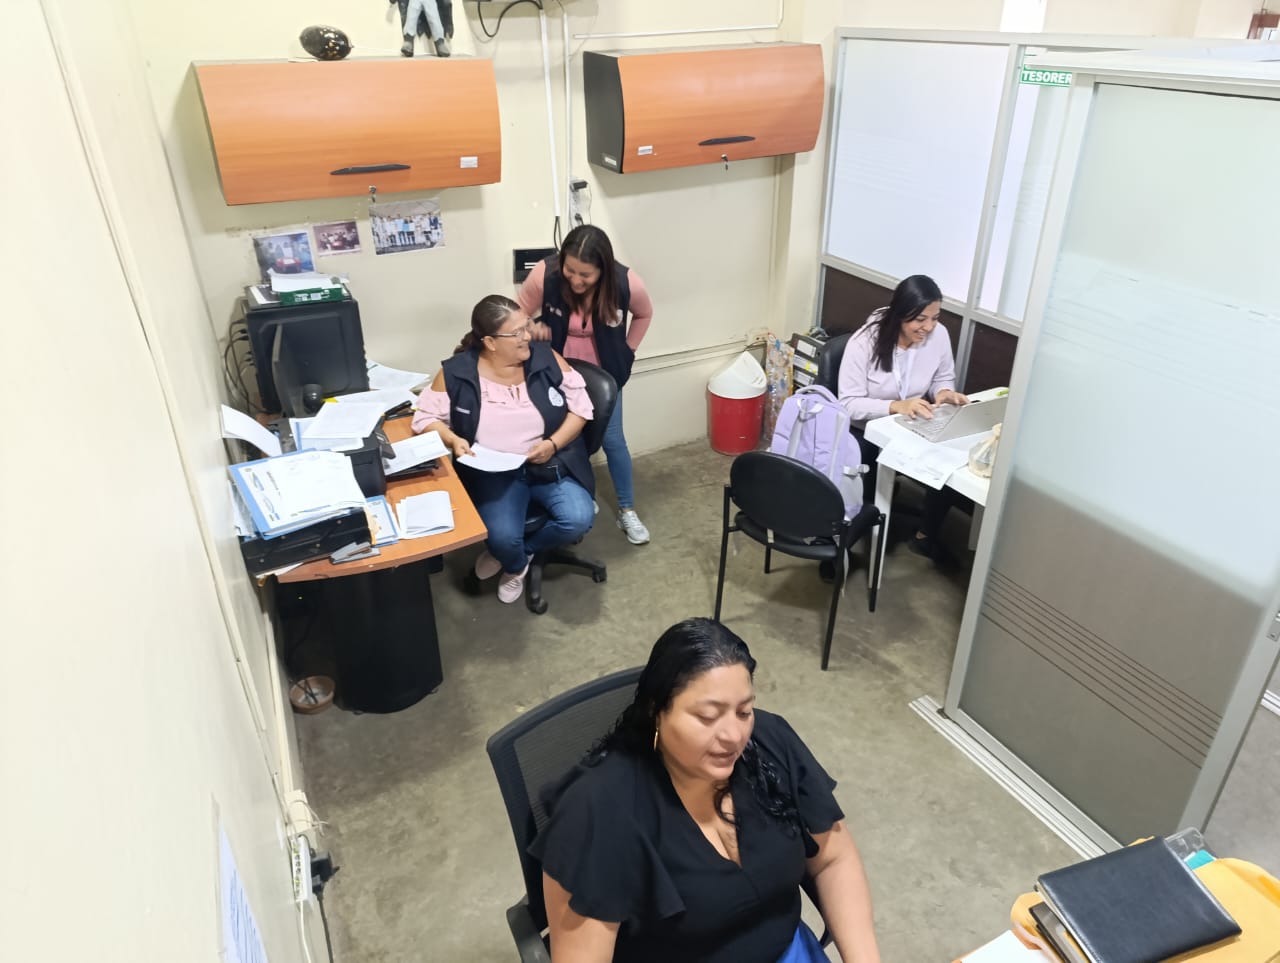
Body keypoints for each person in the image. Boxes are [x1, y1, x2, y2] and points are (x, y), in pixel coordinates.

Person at [531, 618, 882, 963]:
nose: (734, 736)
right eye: (708, 717)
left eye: (743, 711)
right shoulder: (597, 812)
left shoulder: (770, 743)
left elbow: (833, 858)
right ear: (656, 711)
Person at [412, 295, 596, 603]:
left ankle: (518, 556)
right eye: (517, 332)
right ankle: (513, 561)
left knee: (578, 519)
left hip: (548, 463)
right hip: (494, 473)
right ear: (490, 342)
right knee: (501, 537)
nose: (528, 336)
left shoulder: (546, 358)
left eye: (527, 326)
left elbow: (582, 408)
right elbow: (425, 418)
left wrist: (553, 444)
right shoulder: (457, 372)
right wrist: (452, 439)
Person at [517, 225, 654, 546]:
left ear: (603, 269)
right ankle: (580, 497)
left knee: (613, 440)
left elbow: (644, 314)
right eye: (570, 271)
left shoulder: (626, 282)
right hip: (557, 373)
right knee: (565, 439)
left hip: (605, 375)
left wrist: (628, 350)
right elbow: (518, 313)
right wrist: (531, 329)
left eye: (586, 275)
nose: (576, 281)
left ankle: (627, 509)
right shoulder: (546, 274)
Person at [836, 274, 969, 559]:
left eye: (935, 318)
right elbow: (848, 404)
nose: (929, 327)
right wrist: (896, 406)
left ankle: (925, 536)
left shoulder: (938, 335)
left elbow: (943, 376)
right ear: (900, 314)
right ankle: (847, 537)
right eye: (920, 319)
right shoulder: (864, 342)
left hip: (912, 422)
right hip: (866, 428)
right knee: (863, 476)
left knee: (951, 460)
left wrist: (944, 392)